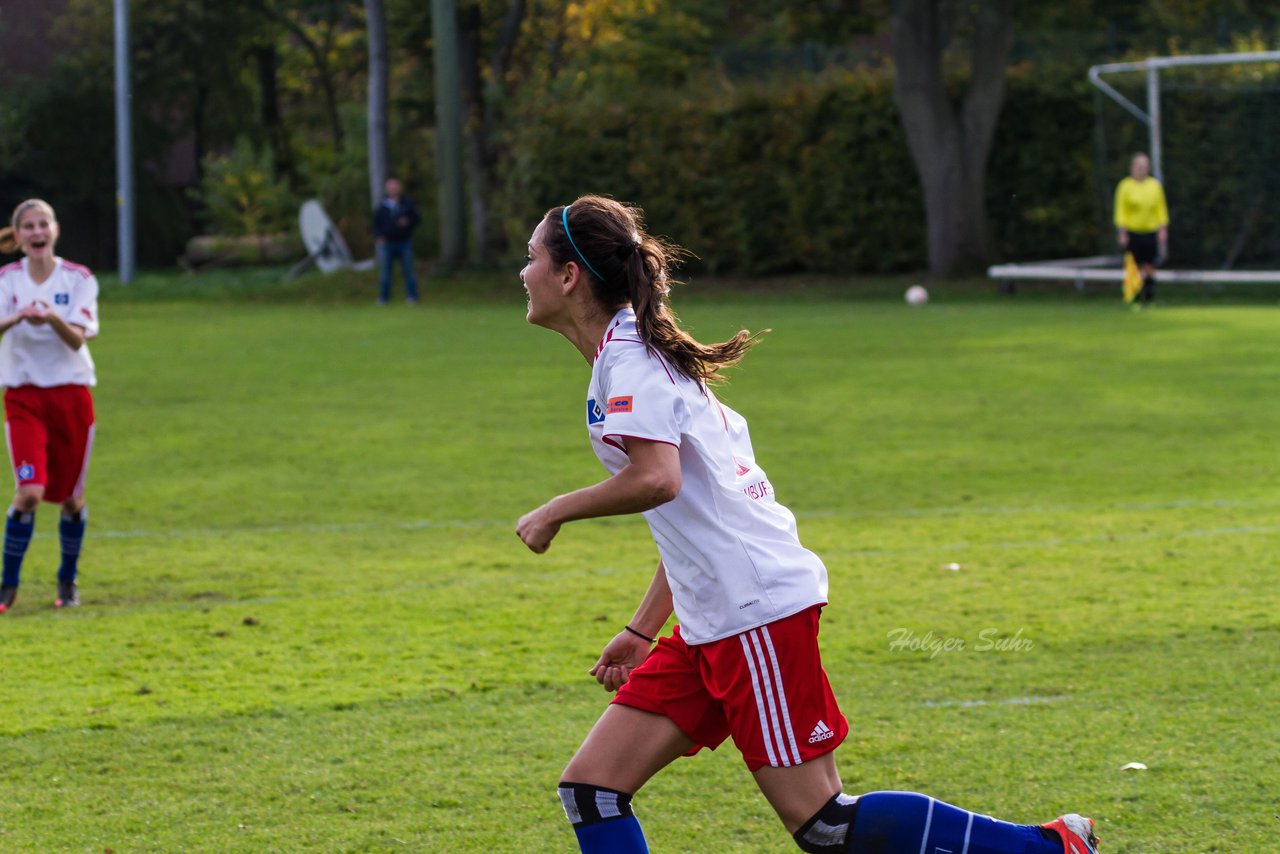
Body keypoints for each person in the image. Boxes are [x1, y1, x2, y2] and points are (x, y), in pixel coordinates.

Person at [515, 195, 1101, 854]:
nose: (523, 272)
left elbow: (658, 481)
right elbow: (691, 516)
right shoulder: (623, 355)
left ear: (569, 276)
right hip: (714, 617)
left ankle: (1047, 848)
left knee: (824, 824)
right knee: (592, 789)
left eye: (532, 256)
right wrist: (640, 629)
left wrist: (554, 510)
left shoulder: (633, 361)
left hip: (752, 611)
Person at [0, 199, 99, 614]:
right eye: (29, 226)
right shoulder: (6, 281)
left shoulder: (78, 279)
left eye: (43, 225)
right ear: (18, 236)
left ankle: (67, 578)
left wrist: (50, 320)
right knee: (29, 493)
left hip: (71, 397)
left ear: (55, 231)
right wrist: (16, 318)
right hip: (23, 398)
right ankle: (7, 586)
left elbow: (78, 337)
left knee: (71, 499)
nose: (37, 232)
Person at [1114, 152, 1168, 305]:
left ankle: (1149, 296)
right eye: (1138, 166)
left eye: (1144, 166)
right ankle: (1134, 297)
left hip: (1150, 232)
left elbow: (1161, 209)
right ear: (1132, 167)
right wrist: (1122, 232)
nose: (1141, 169)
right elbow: (1120, 211)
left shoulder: (1154, 186)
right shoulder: (1125, 186)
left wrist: (1163, 229)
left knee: (1150, 265)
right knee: (1134, 266)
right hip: (1133, 232)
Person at [373, 177, 421, 305]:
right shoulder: (382, 207)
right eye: (390, 188)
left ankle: (412, 297)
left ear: (399, 188)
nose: (393, 190)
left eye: (395, 187)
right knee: (385, 273)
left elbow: (417, 219)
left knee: (409, 271)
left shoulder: (407, 204)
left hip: (404, 242)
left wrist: (408, 222)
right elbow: (376, 224)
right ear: (387, 189)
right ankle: (384, 298)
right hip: (387, 243)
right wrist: (380, 236)